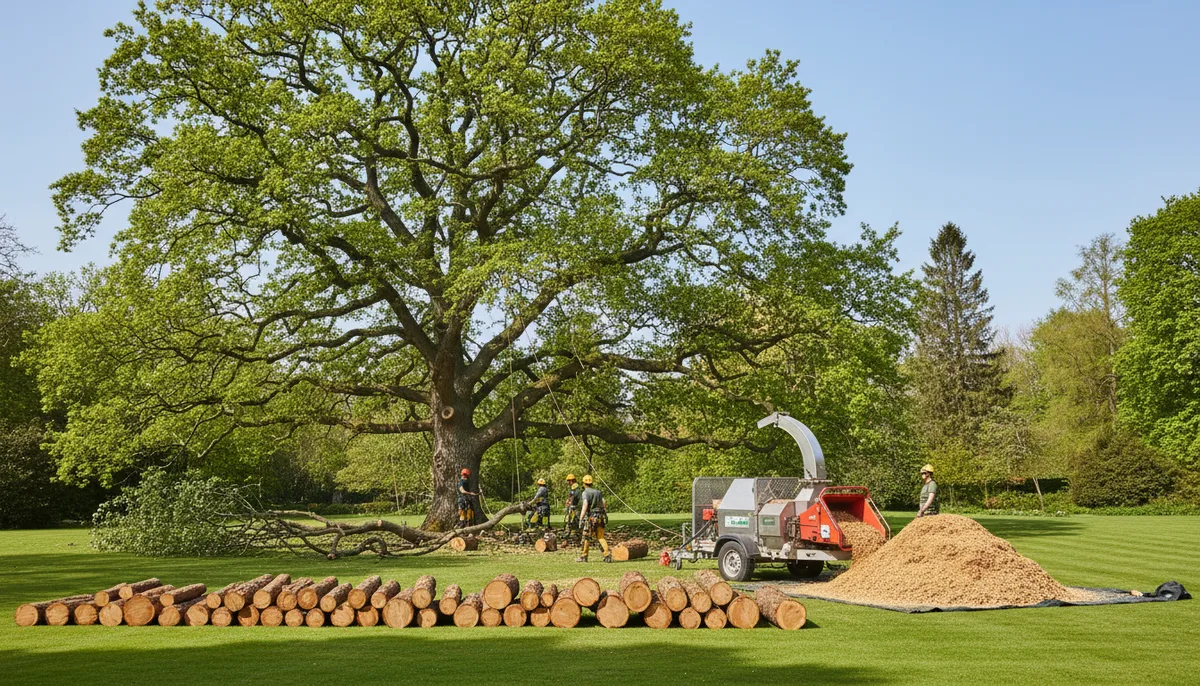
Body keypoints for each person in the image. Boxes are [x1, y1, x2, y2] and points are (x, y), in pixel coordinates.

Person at [576, 475, 611, 563]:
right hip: (600, 517)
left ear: (584, 483)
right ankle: (607, 554)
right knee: (600, 537)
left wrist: (581, 518)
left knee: (586, 536)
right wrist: (605, 514)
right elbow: (603, 502)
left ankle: (584, 556)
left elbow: (585, 504)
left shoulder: (585, 493)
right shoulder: (598, 492)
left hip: (591, 518)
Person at [563, 474, 582, 540]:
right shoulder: (574, 488)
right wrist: (568, 500)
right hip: (575, 508)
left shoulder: (575, 488)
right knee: (575, 523)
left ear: (571, 481)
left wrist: (569, 502)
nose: (568, 483)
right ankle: (578, 538)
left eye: (568, 481)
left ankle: (566, 539)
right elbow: (571, 496)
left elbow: (573, 497)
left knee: (569, 523)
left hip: (574, 509)